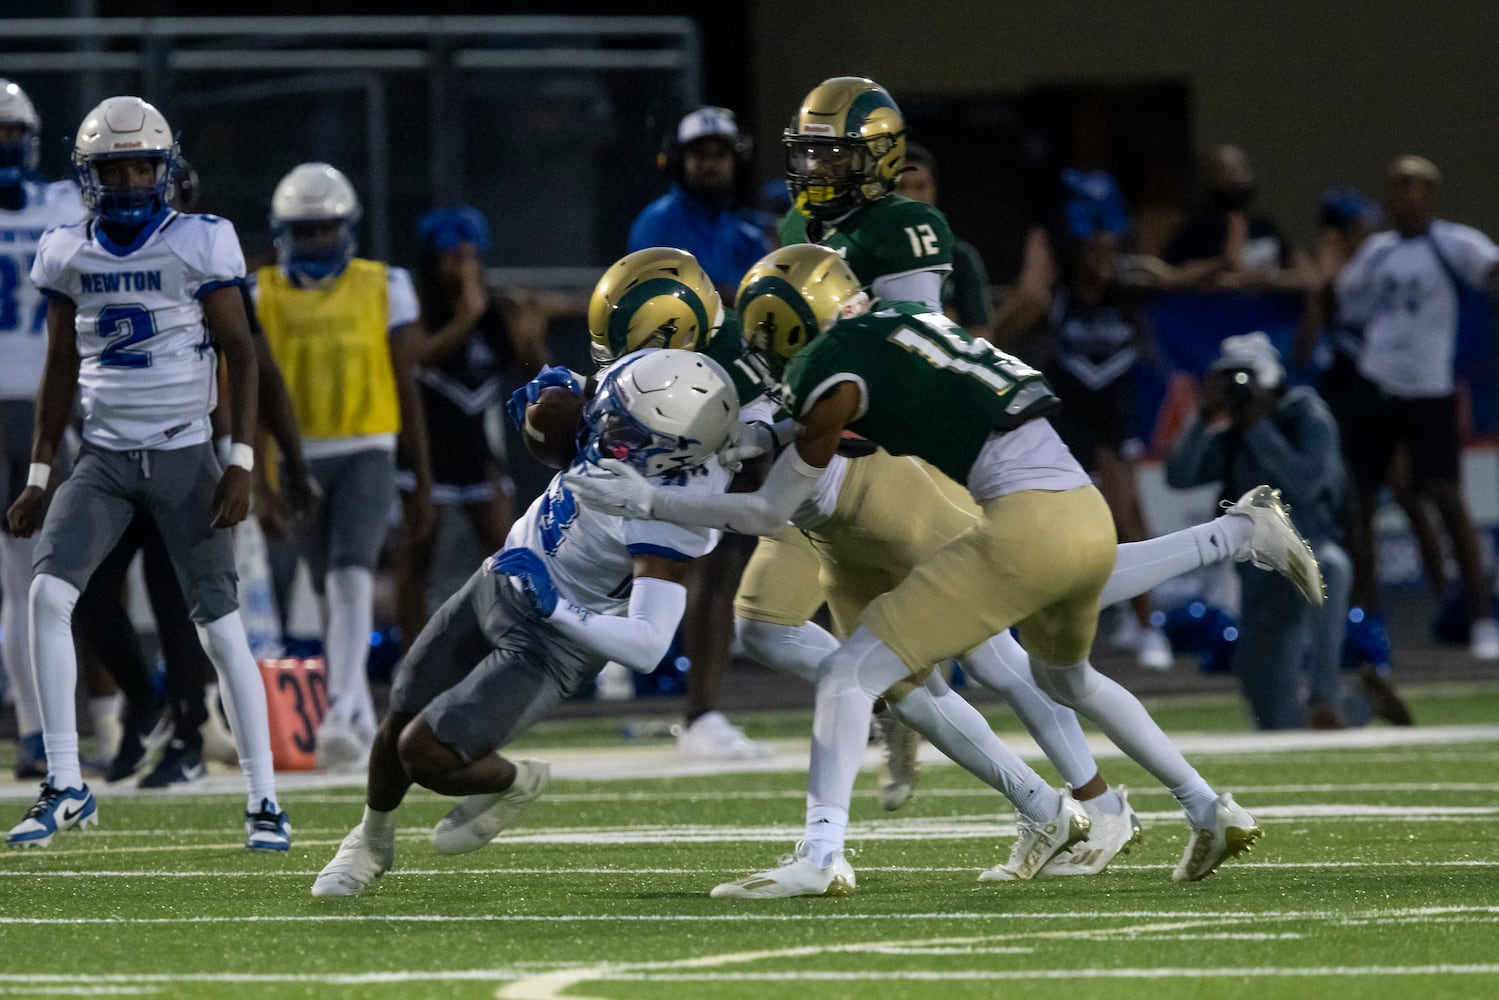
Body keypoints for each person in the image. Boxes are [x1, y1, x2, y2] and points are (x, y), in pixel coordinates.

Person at [567, 245, 1325, 897]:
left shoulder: (824, 368)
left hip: (972, 512)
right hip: (1034, 498)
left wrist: (654, 490)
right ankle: (1187, 799)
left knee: (900, 666)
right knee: (1042, 666)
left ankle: (828, 852)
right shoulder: (885, 329)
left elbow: (774, 498)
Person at [310, 348, 739, 897]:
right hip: (505, 573)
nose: (604, 431)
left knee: (425, 753)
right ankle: (370, 841)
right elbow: (572, 401)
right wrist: (548, 402)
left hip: (558, 639)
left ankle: (515, 782)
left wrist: (557, 606)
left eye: (624, 431)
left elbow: (650, 645)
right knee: (404, 702)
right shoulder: (641, 392)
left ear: (672, 453)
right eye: (611, 411)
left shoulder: (676, 515)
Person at [4, 96, 288, 849]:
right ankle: (66, 782)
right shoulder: (68, 250)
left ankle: (264, 797)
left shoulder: (199, 242)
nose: (129, 182)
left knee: (220, 630)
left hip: (183, 453)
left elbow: (242, 351)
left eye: (141, 167)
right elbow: (60, 364)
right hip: (99, 459)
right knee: (46, 593)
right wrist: (39, 474)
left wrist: (240, 462)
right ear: (88, 178)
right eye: (113, 170)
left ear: (164, 170)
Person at [251, 162, 434, 770]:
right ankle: (352, 711)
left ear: (347, 227)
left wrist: (420, 476)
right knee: (330, 587)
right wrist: (257, 476)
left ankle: (339, 713)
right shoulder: (260, 293)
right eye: (305, 232)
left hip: (367, 444)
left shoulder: (385, 284)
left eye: (325, 229)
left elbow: (408, 384)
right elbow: (251, 390)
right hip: (297, 454)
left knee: (353, 574)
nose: (316, 242)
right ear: (283, 232)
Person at [576, 247, 770, 758]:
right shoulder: (685, 333)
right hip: (673, 457)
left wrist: (748, 437)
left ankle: (702, 712)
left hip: (736, 462)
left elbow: (763, 455)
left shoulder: (739, 358)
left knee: (732, 582)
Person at [997, 169, 1173, 670]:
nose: (1101, 256)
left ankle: (1147, 625)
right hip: (1064, 419)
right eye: (1090, 248)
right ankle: (1053, 628)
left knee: (1126, 519)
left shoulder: (1130, 291)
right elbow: (1024, 304)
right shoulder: (1057, 297)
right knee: (1056, 525)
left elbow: (1197, 275)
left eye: (1107, 247)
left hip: (1112, 421)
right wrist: (1041, 238)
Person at [1334, 155, 1499, 661]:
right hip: (1376, 383)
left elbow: (1491, 270)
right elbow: (1346, 299)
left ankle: (1481, 617)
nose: (1401, 195)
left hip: (1429, 388)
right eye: (1394, 187)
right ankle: (1367, 616)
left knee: (1446, 497)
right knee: (1358, 501)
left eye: (1411, 186)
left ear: (1429, 193)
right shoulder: (1377, 252)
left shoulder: (1453, 244)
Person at [1166, 333, 1363, 728]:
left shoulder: (1306, 416)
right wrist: (1203, 417)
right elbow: (1180, 474)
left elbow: (1307, 482)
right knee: (1274, 719)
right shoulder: (1233, 436)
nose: (1238, 391)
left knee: (1333, 567)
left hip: (1310, 546)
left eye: (1244, 378)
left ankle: (1327, 696)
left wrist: (1259, 427)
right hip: (1258, 570)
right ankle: (1366, 705)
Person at [393, 205, 543, 649]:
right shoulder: (416, 309)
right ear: (432, 261)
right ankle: (413, 658)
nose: (465, 267)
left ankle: (518, 648)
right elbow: (421, 357)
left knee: (509, 552)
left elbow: (532, 368)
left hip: (479, 454)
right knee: (417, 556)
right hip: (426, 455)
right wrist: (465, 316)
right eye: (453, 257)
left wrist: (530, 335)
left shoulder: (493, 311)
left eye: (471, 256)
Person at [0, 79, 85, 779]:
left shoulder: (65, 203)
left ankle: (39, 725)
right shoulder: (62, 206)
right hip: (22, 398)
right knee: (19, 574)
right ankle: (35, 723)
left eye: (10, 133)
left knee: (29, 574)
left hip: (45, 400)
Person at [627, 106, 770, 299]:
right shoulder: (656, 223)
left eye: (720, 154)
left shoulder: (749, 234)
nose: (711, 164)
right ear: (679, 161)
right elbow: (648, 300)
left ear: (737, 161)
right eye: (700, 154)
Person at [894, 142, 993, 338]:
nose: (910, 196)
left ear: (934, 189)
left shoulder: (960, 256)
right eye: (901, 186)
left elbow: (980, 333)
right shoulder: (870, 252)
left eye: (920, 186)